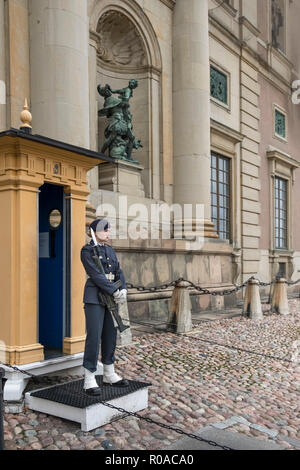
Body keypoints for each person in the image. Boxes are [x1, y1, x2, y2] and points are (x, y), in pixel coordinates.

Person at [80, 218, 129, 395]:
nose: (108, 233)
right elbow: (95, 275)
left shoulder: (110, 250)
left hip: (112, 296)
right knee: (94, 336)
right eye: (105, 230)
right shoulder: (87, 250)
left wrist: (122, 288)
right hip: (94, 297)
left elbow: (119, 272)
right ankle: (89, 379)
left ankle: (109, 373)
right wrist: (112, 289)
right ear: (95, 232)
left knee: (110, 334)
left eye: (109, 230)